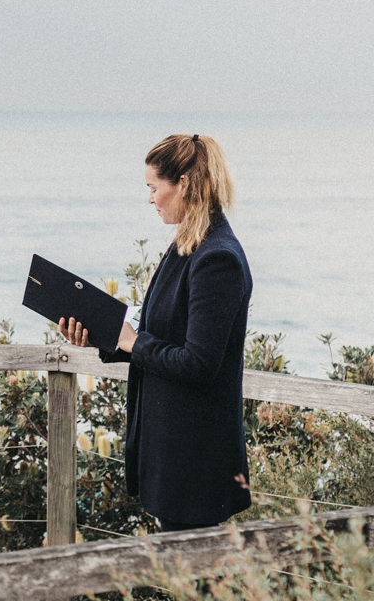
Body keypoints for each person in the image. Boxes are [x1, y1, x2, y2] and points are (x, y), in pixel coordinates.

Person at [60, 133, 253, 533]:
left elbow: (199, 363)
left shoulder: (217, 258)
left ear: (183, 183)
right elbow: (158, 333)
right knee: (184, 587)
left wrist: (133, 341)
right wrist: (105, 335)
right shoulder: (187, 244)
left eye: (153, 188)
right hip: (172, 455)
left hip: (195, 462)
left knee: (195, 589)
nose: (150, 198)